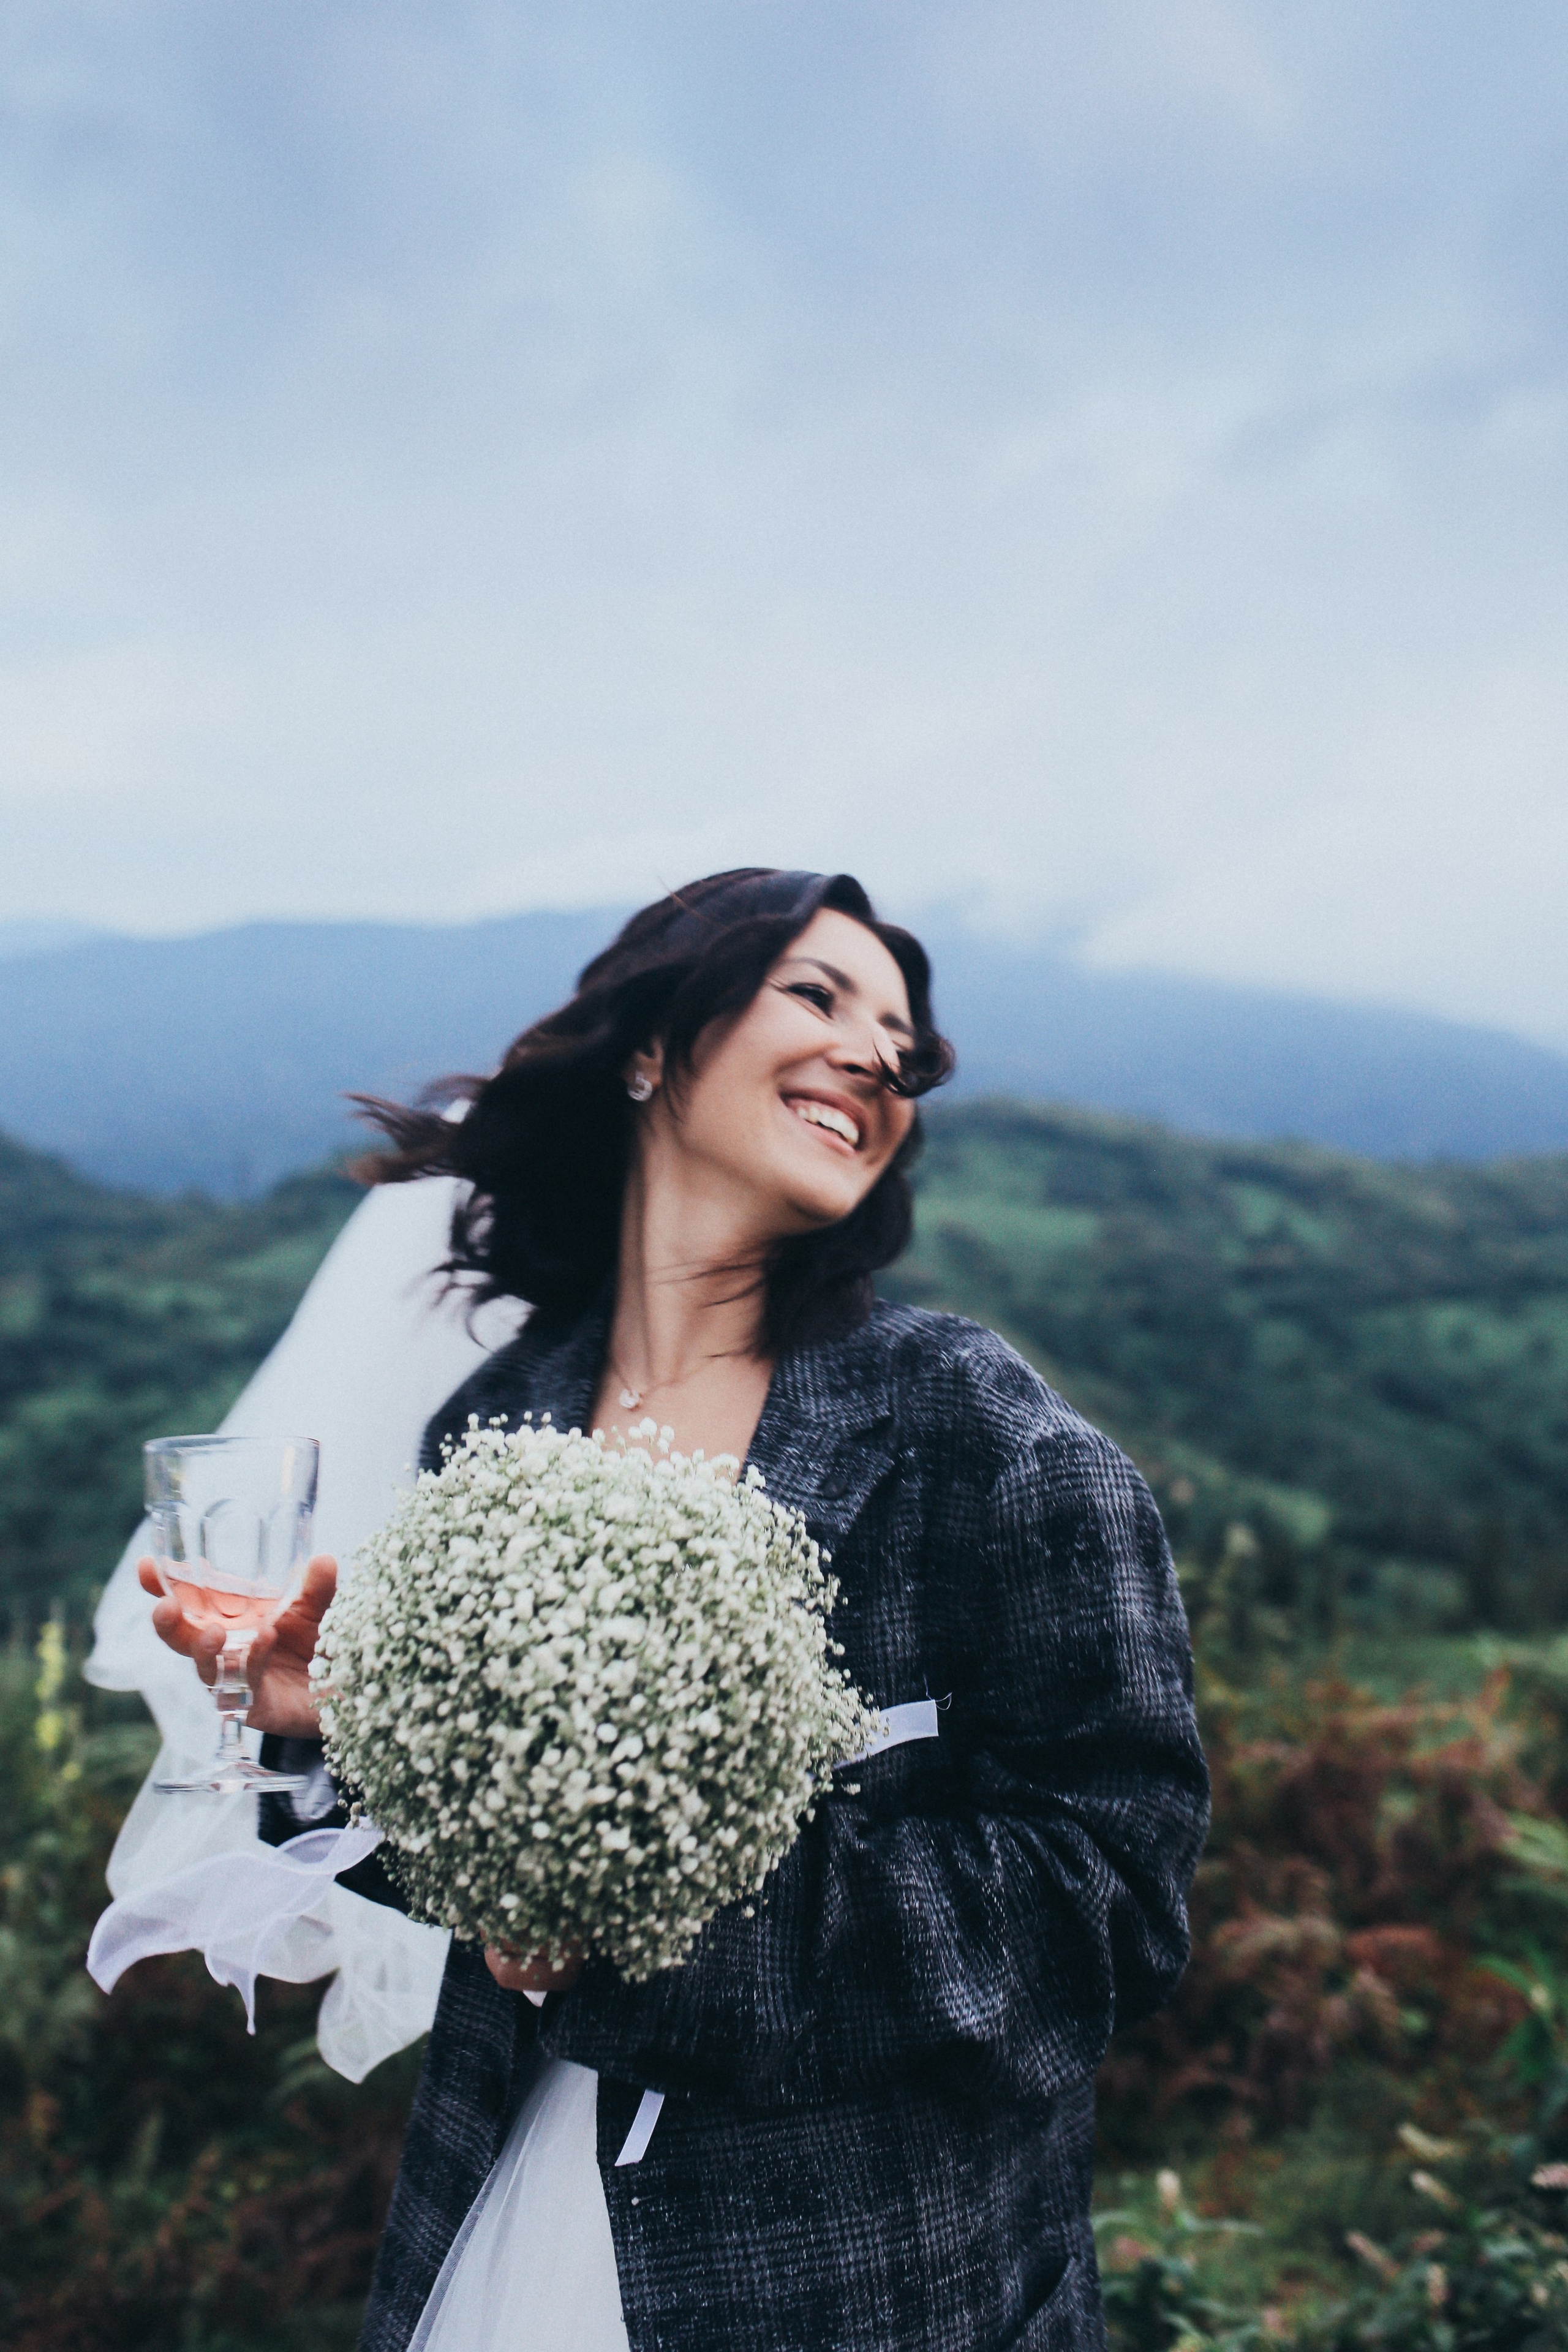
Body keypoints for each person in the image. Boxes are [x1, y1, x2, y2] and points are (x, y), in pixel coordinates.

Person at [141, 867, 1210, 2352]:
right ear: (653, 1046)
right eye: (818, 995)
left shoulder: (974, 1433)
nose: (876, 1054)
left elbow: (1104, 1905)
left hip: (862, 2281)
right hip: (519, 2207)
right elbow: (473, 1871)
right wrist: (343, 1726)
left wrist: (648, 1939)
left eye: (899, 1039)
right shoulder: (497, 1426)